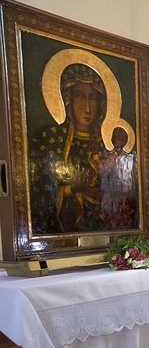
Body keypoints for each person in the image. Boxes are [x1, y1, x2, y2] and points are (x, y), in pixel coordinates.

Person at [29, 63, 109, 233]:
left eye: (93, 98)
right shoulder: (49, 139)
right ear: (67, 98)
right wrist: (69, 192)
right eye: (79, 96)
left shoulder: (106, 146)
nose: (87, 108)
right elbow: (40, 193)